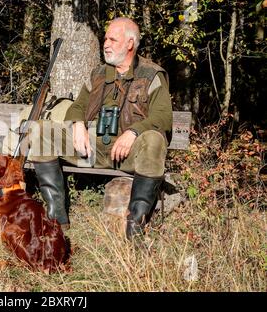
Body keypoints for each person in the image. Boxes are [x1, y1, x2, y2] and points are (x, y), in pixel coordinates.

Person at [28, 17, 173, 239]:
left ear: (130, 44)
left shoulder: (151, 74)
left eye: (113, 39)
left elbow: (163, 117)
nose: (106, 44)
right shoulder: (98, 74)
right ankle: (56, 220)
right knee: (40, 130)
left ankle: (135, 228)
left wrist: (133, 132)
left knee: (154, 139)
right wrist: (78, 126)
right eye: (106, 38)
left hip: (129, 154)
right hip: (91, 149)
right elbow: (77, 107)